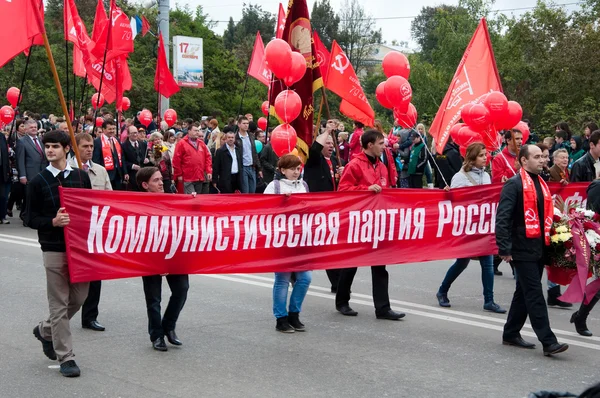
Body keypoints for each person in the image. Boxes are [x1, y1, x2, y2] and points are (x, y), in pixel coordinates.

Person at [27, 130, 92, 377]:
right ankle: (66, 357)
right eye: (47, 147)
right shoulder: (37, 182)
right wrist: (52, 222)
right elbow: (29, 218)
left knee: (79, 299)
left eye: (55, 146)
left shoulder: (81, 177)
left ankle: (45, 330)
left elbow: (90, 210)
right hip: (53, 249)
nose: (50, 150)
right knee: (59, 304)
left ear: (67, 149)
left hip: (79, 249)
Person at [496, 144, 568, 356]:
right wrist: (504, 247)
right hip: (521, 248)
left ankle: (510, 333)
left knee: (523, 292)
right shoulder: (514, 184)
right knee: (535, 293)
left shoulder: (541, 183)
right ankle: (548, 341)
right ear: (524, 161)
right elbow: (503, 218)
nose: (542, 160)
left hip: (538, 247)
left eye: (542, 157)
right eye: (536, 157)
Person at [335, 129, 405, 320]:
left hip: (377, 222)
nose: (384, 146)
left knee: (380, 266)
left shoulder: (382, 166)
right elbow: (343, 190)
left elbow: (388, 190)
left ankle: (383, 308)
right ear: (369, 145)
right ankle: (342, 301)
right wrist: (365, 189)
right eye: (381, 143)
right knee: (352, 264)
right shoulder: (355, 165)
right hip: (358, 222)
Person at [436, 143, 506, 313]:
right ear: (472, 158)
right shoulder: (460, 178)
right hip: (467, 227)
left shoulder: (487, 176)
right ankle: (442, 291)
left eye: (486, 154)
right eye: (482, 155)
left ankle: (489, 300)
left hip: (483, 227)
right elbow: (456, 202)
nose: (485, 158)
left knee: (488, 264)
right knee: (462, 262)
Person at [136, 167, 189, 351]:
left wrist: (196, 202)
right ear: (145, 185)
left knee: (182, 289)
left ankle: (169, 326)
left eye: (161, 179)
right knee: (153, 299)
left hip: (173, 254)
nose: (161, 183)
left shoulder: (172, 198)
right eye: (156, 180)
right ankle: (156, 335)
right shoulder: (138, 205)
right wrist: (157, 262)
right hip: (150, 257)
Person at [67, 133, 112, 332]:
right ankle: (62, 316)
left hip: (96, 229)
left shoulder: (100, 171)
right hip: (74, 230)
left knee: (96, 275)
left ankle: (90, 316)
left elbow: (110, 198)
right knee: (71, 277)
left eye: (91, 146)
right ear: (74, 147)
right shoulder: (66, 171)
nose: (89, 149)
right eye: (84, 146)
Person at [263, 154, 312, 332]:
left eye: (298, 169)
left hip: (300, 239)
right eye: (292, 169)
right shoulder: (274, 186)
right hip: (282, 239)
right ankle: (281, 318)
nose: (296, 172)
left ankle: (294, 313)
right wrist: (281, 201)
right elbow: (263, 210)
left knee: (305, 278)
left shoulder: (303, 186)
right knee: (282, 279)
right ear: (282, 170)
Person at [304, 131, 344, 292]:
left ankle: (337, 284)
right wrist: (327, 131)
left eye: (332, 144)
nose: (331, 146)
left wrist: (342, 175)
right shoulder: (314, 160)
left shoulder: (335, 161)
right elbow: (314, 149)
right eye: (327, 143)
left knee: (330, 247)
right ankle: (294, 273)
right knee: (310, 247)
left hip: (332, 210)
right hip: (316, 210)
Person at [16, 119, 48, 223]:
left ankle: (34, 215)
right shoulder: (22, 142)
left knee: (38, 195)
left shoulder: (41, 139)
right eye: (31, 127)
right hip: (30, 173)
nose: (34, 129)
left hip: (42, 171)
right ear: (25, 129)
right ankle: (25, 216)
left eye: (35, 127)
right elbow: (20, 160)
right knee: (28, 196)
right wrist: (22, 175)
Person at [172, 122, 212, 195]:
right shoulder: (181, 143)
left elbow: (207, 158)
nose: (197, 132)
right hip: (188, 177)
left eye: (198, 130)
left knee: (198, 198)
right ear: (189, 131)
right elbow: (176, 160)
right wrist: (179, 174)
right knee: (191, 198)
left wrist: (208, 171)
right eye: (195, 130)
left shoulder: (201, 143)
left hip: (199, 176)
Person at [92, 119, 128, 190]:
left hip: (118, 174)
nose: (112, 131)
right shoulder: (97, 142)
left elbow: (122, 157)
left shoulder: (116, 140)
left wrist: (125, 172)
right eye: (110, 129)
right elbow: (96, 160)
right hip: (105, 174)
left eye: (113, 129)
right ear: (103, 129)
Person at [235, 116, 262, 193]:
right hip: (243, 167)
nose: (246, 125)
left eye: (247, 123)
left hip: (252, 167)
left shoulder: (251, 136)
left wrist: (259, 168)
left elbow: (254, 153)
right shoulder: (236, 138)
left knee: (253, 191)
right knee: (245, 192)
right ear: (239, 124)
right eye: (244, 123)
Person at [121, 126, 149, 191]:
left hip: (143, 174)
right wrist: (132, 166)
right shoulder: (124, 146)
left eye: (136, 133)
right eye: (133, 133)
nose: (135, 135)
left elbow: (146, 156)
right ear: (128, 134)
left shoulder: (143, 144)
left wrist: (147, 159)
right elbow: (123, 161)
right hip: (132, 175)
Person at [0, 129, 10, 224]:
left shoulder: (1, 136)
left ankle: (2, 216)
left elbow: (5, 155)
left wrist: (7, 170)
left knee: (2, 195)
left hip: (1, 170)